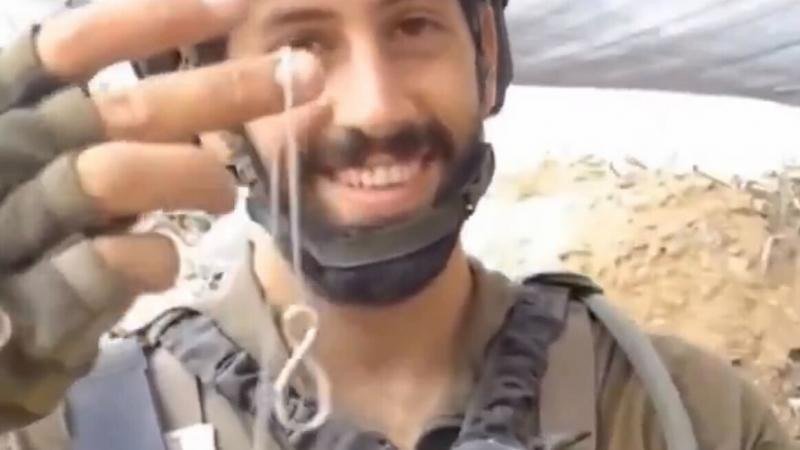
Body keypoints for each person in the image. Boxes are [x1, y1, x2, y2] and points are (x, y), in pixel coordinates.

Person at [0, 0, 794, 449]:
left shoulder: (687, 416)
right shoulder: (67, 430)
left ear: (485, 57)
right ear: (205, 104)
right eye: (302, 44)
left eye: (413, 25)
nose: (375, 107)